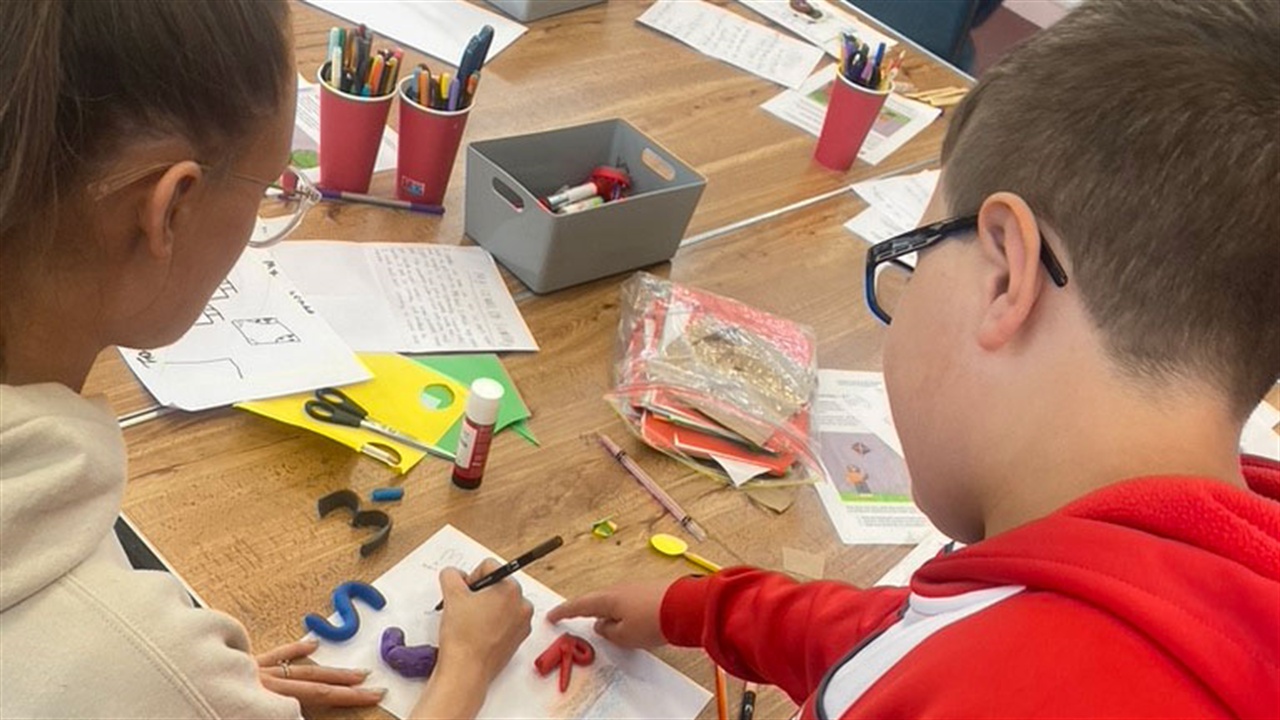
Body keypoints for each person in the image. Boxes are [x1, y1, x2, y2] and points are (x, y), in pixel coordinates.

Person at [549, 0, 1280, 716]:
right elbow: (903, 635)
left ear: (1005, 278)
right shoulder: (1203, 568)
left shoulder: (995, 690)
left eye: (915, 255)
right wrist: (709, 611)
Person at [0, 2, 531, 717]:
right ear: (171, 209)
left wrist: (189, 685)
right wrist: (467, 665)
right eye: (271, 188)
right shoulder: (115, 657)